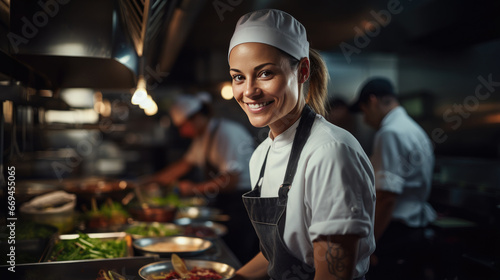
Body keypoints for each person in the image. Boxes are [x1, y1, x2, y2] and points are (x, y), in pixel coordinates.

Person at [228, 9, 375, 280]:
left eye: (265, 73)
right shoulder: (260, 156)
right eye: (238, 76)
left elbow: (332, 273)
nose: (248, 91)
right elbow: (279, 252)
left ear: (303, 71)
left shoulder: (330, 152)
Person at [149, 92, 259, 263]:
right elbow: (184, 165)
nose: (182, 133)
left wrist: (193, 189)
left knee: (237, 255)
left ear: (195, 118)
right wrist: (151, 180)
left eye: (182, 126)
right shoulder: (203, 136)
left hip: (242, 204)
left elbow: (231, 180)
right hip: (226, 202)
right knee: (224, 250)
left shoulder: (225, 133)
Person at [351, 77, 436, 280]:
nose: (364, 119)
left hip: (396, 233)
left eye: (363, 111)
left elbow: (387, 196)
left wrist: (369, 244)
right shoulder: (412, 128)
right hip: (415, 230)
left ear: (372, 101)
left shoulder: (390, 133)